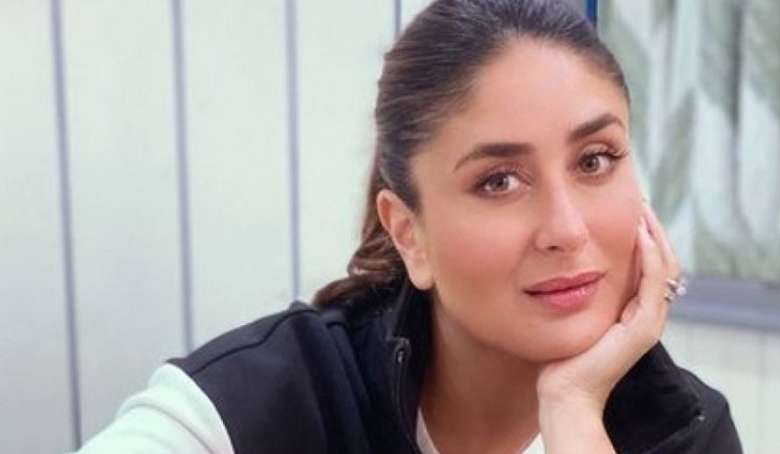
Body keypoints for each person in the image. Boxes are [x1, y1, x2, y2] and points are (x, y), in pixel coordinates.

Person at [75, 0, 742, 453]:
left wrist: (573, 409)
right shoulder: (268, 401)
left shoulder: (684, 429)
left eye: (594, 160)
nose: (565, 229)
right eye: (499, 181)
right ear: (408, 233)